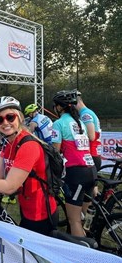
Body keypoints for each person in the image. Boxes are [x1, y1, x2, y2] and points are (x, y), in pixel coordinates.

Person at [0, 95, 58, 236]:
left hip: (41, 213)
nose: (5, 123)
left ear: (20, 117)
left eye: (10, 117)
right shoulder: (9, 143)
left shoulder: (28, 146)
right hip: (26, 207)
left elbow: (10, 186)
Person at [51, 90, 96, 237]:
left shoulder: (58, 123)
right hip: (91, 169)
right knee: (85, 215)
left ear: (59, 107)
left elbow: (55, 151)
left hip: (76, 172)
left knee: (74, 220)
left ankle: (82, 254)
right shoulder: (81, 122)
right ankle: (90, 237)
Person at [75, 90, 102, 171]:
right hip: (94, 154)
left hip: (91, 155)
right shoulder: (88, 112)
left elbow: (91, 136)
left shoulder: (85, 114)